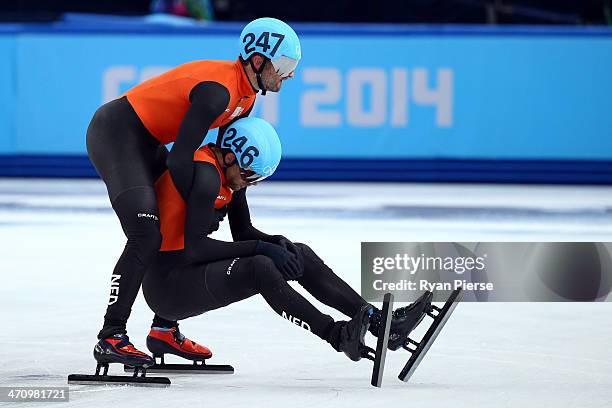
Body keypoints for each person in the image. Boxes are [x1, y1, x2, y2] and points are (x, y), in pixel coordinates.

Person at [86, 17, 301, 368]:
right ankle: (110, 336)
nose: (289, 75)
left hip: (149, 139)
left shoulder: (245, 100)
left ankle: (164, 329)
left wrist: (222, 208)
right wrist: (204, 202)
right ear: (258, 61)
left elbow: (221, 163)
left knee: (186, 217)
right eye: (285, 66)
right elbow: (180, 161)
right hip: (117, 134)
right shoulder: (219, 92)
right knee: (146, 232)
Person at [139, 118, 432, 364]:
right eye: (247, 176)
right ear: (230, 157)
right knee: (260, 267)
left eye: (255, 180)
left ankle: (382, 324)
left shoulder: (231, 171)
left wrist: (274, 241)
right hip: (168, 287)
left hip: (187, 270)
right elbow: (196, 248)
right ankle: (338, 336)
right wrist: (261, 248)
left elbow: (242, 233)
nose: (247, 184)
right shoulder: (205, 175)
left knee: (296, 253)